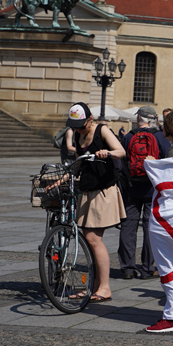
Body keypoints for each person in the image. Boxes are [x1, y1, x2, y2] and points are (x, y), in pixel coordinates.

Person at [68, 103, 126, 303]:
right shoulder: (77, 136)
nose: (78, 129)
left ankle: (105, 287)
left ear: (89, 119)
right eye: (74, 126)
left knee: (93, 238)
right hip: (87, 189)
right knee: (88, 238)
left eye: (81, 125)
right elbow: (79, 163)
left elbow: (121, 151)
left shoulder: (102, 130)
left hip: (104, 191)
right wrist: (64, 178)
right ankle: (93, 286)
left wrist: (107, 153)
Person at [118, 105, 171, 281]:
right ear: (154, 119)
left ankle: (127, 268)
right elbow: (167, 161)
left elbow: (121, 162)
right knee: (150, 228)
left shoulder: (128, 137)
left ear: (139, 118)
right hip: (152, 189)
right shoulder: (160, 138)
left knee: (128, 227)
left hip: (132, 188)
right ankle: (147, 268)